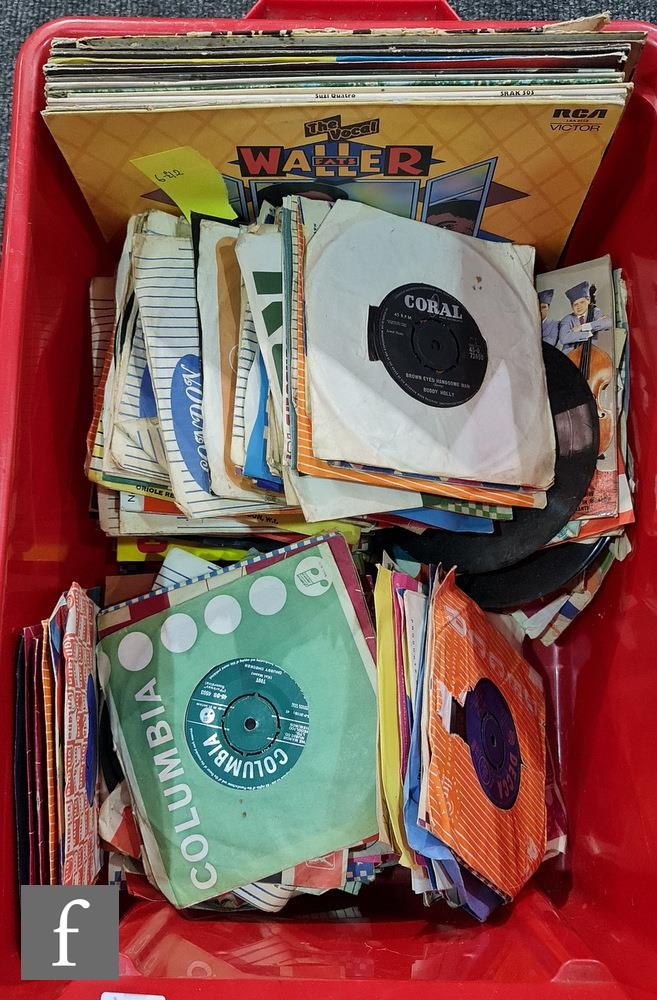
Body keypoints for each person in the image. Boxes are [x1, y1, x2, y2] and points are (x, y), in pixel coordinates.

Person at [558, 280, 612, 355]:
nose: (579, 306)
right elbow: (564, 338)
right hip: (570, 356)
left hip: (592, 354)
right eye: (575, 304)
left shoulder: (595, 312)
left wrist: (582, 327)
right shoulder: (567, 319)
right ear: (572, 306)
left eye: (582, 302)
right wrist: (589, 332)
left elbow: (608, 323)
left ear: (588, 300)